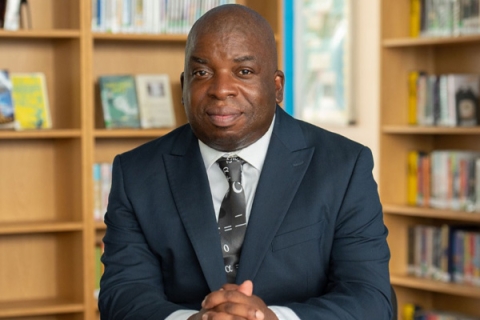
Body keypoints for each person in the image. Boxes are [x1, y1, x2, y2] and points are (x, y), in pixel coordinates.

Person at [98, 4, 392, 320]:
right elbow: (122, 295)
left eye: (244, 72)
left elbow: (372, 300)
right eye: (202, 72)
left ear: (277, 87)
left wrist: (274, 318)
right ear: (184, 86)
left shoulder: (344, 167)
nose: (221, 89)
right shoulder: (137, 173)